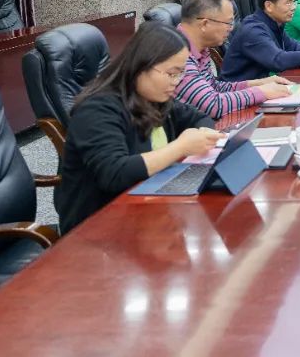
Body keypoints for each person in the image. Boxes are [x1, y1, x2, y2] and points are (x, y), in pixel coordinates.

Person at [54, 23, 223, 234]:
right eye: (171, 73)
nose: (176, 82)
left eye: (180, 74)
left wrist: (202, 133)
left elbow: (199, 117)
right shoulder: (97, 109)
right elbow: (114, 173)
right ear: (141, 66)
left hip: (148, 203)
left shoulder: (155, 97)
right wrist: (180, 147)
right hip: (99, 226)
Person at [174, 0, 294, 119]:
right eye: (228, 22)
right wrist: (261, 92)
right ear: (204, 24)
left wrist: (259, 83)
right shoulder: (178, 54)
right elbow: (213, 105)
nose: (231, 28)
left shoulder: (199, 48)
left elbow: (214, 87)